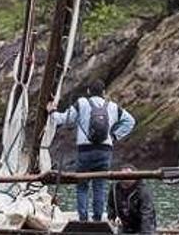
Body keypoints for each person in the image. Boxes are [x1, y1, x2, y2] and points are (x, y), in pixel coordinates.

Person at [47, 80, 136, 223]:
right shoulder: (112, 106)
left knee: (82, 186)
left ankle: (83, 219)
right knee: (99, 186)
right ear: (104, 93)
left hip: (85, 151)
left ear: (88, 91)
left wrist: (51, 111)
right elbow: (130, 121)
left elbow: (65, 119)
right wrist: (114, 136)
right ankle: (98, 220)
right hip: (105, 151)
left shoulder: (82, 103)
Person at [107, 165, 156, 234]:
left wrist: (146, 232)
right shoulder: (115, 188)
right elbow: (110, 205)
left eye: (128, 176)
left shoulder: (143, 191)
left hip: (139, 226)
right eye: (123, 176)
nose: (125, 178)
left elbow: (147, 215)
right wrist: (112, 217)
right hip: (124, 225)